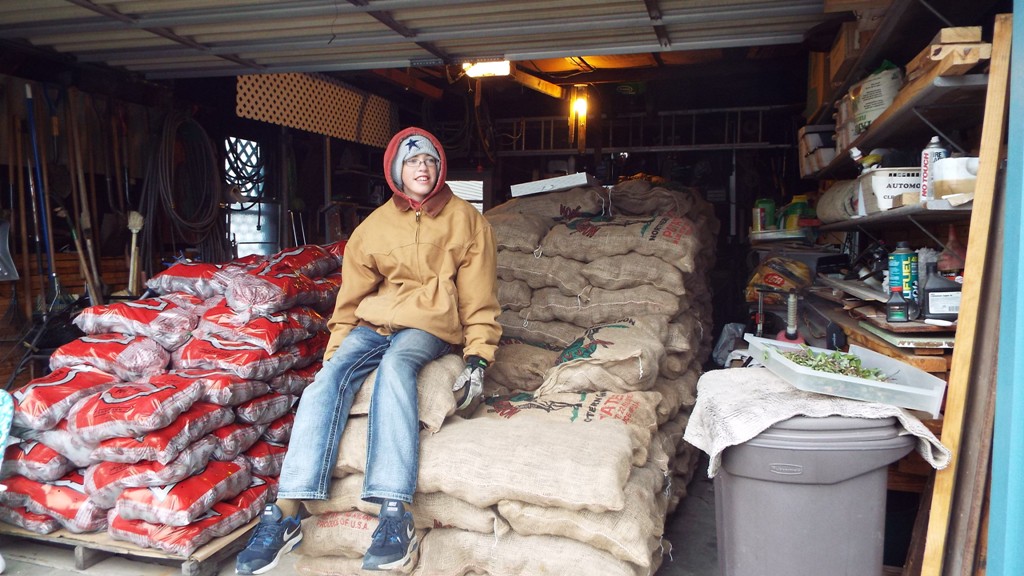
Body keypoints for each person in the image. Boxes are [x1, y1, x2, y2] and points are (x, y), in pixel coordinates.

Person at [235, 127, 501, 574]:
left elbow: (479, 297)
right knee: (326, 383)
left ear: (440, 168)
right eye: (412, 161)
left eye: (430, 160)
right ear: (396, 170)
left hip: (427, 324)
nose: (422, 167)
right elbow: (351, 300)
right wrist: (336, 349)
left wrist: (478, 354)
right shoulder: (374, 226)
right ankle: (286, 512)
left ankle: (395, 512)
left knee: (396, 370)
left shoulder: (467, 221)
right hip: (374, 324)